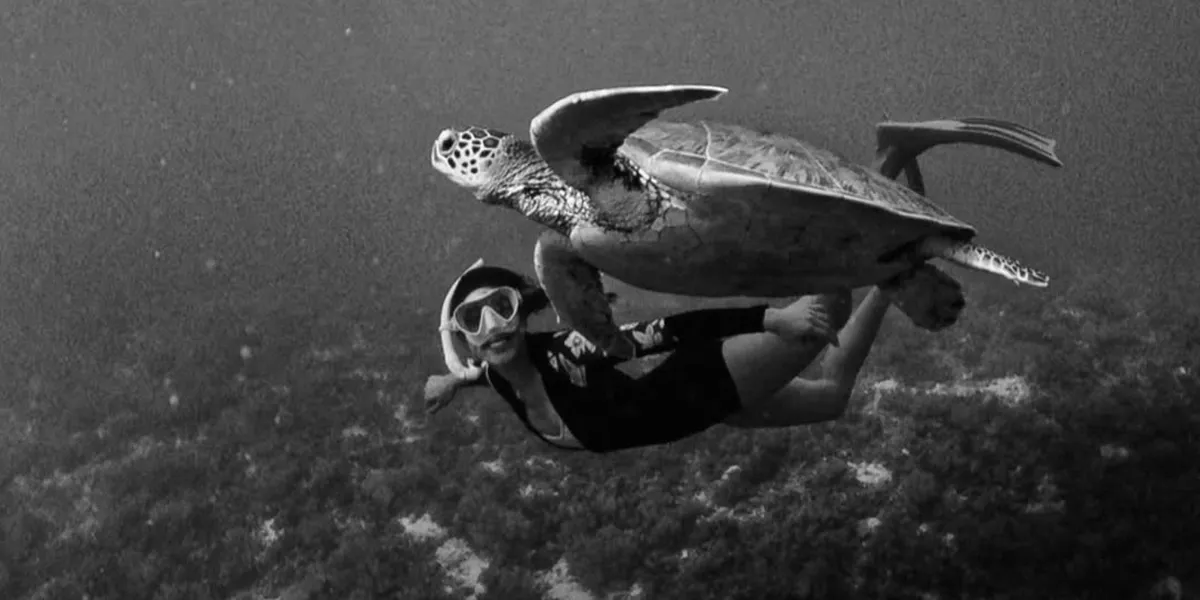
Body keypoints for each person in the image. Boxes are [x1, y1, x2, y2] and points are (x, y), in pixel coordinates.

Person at [423, 259, 898, 453]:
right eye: (473, 319)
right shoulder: (497, 374)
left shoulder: (567, 352)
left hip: (713, 381)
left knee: (828, 308)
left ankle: (875, 204)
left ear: (521, 316)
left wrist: (769, 320)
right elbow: (491, 369)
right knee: (832, 398)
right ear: (465, 340)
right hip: (713, 412)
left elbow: (664, 332)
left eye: (502, 308)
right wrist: (454, 382)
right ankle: (894, 279)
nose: (492, 328)